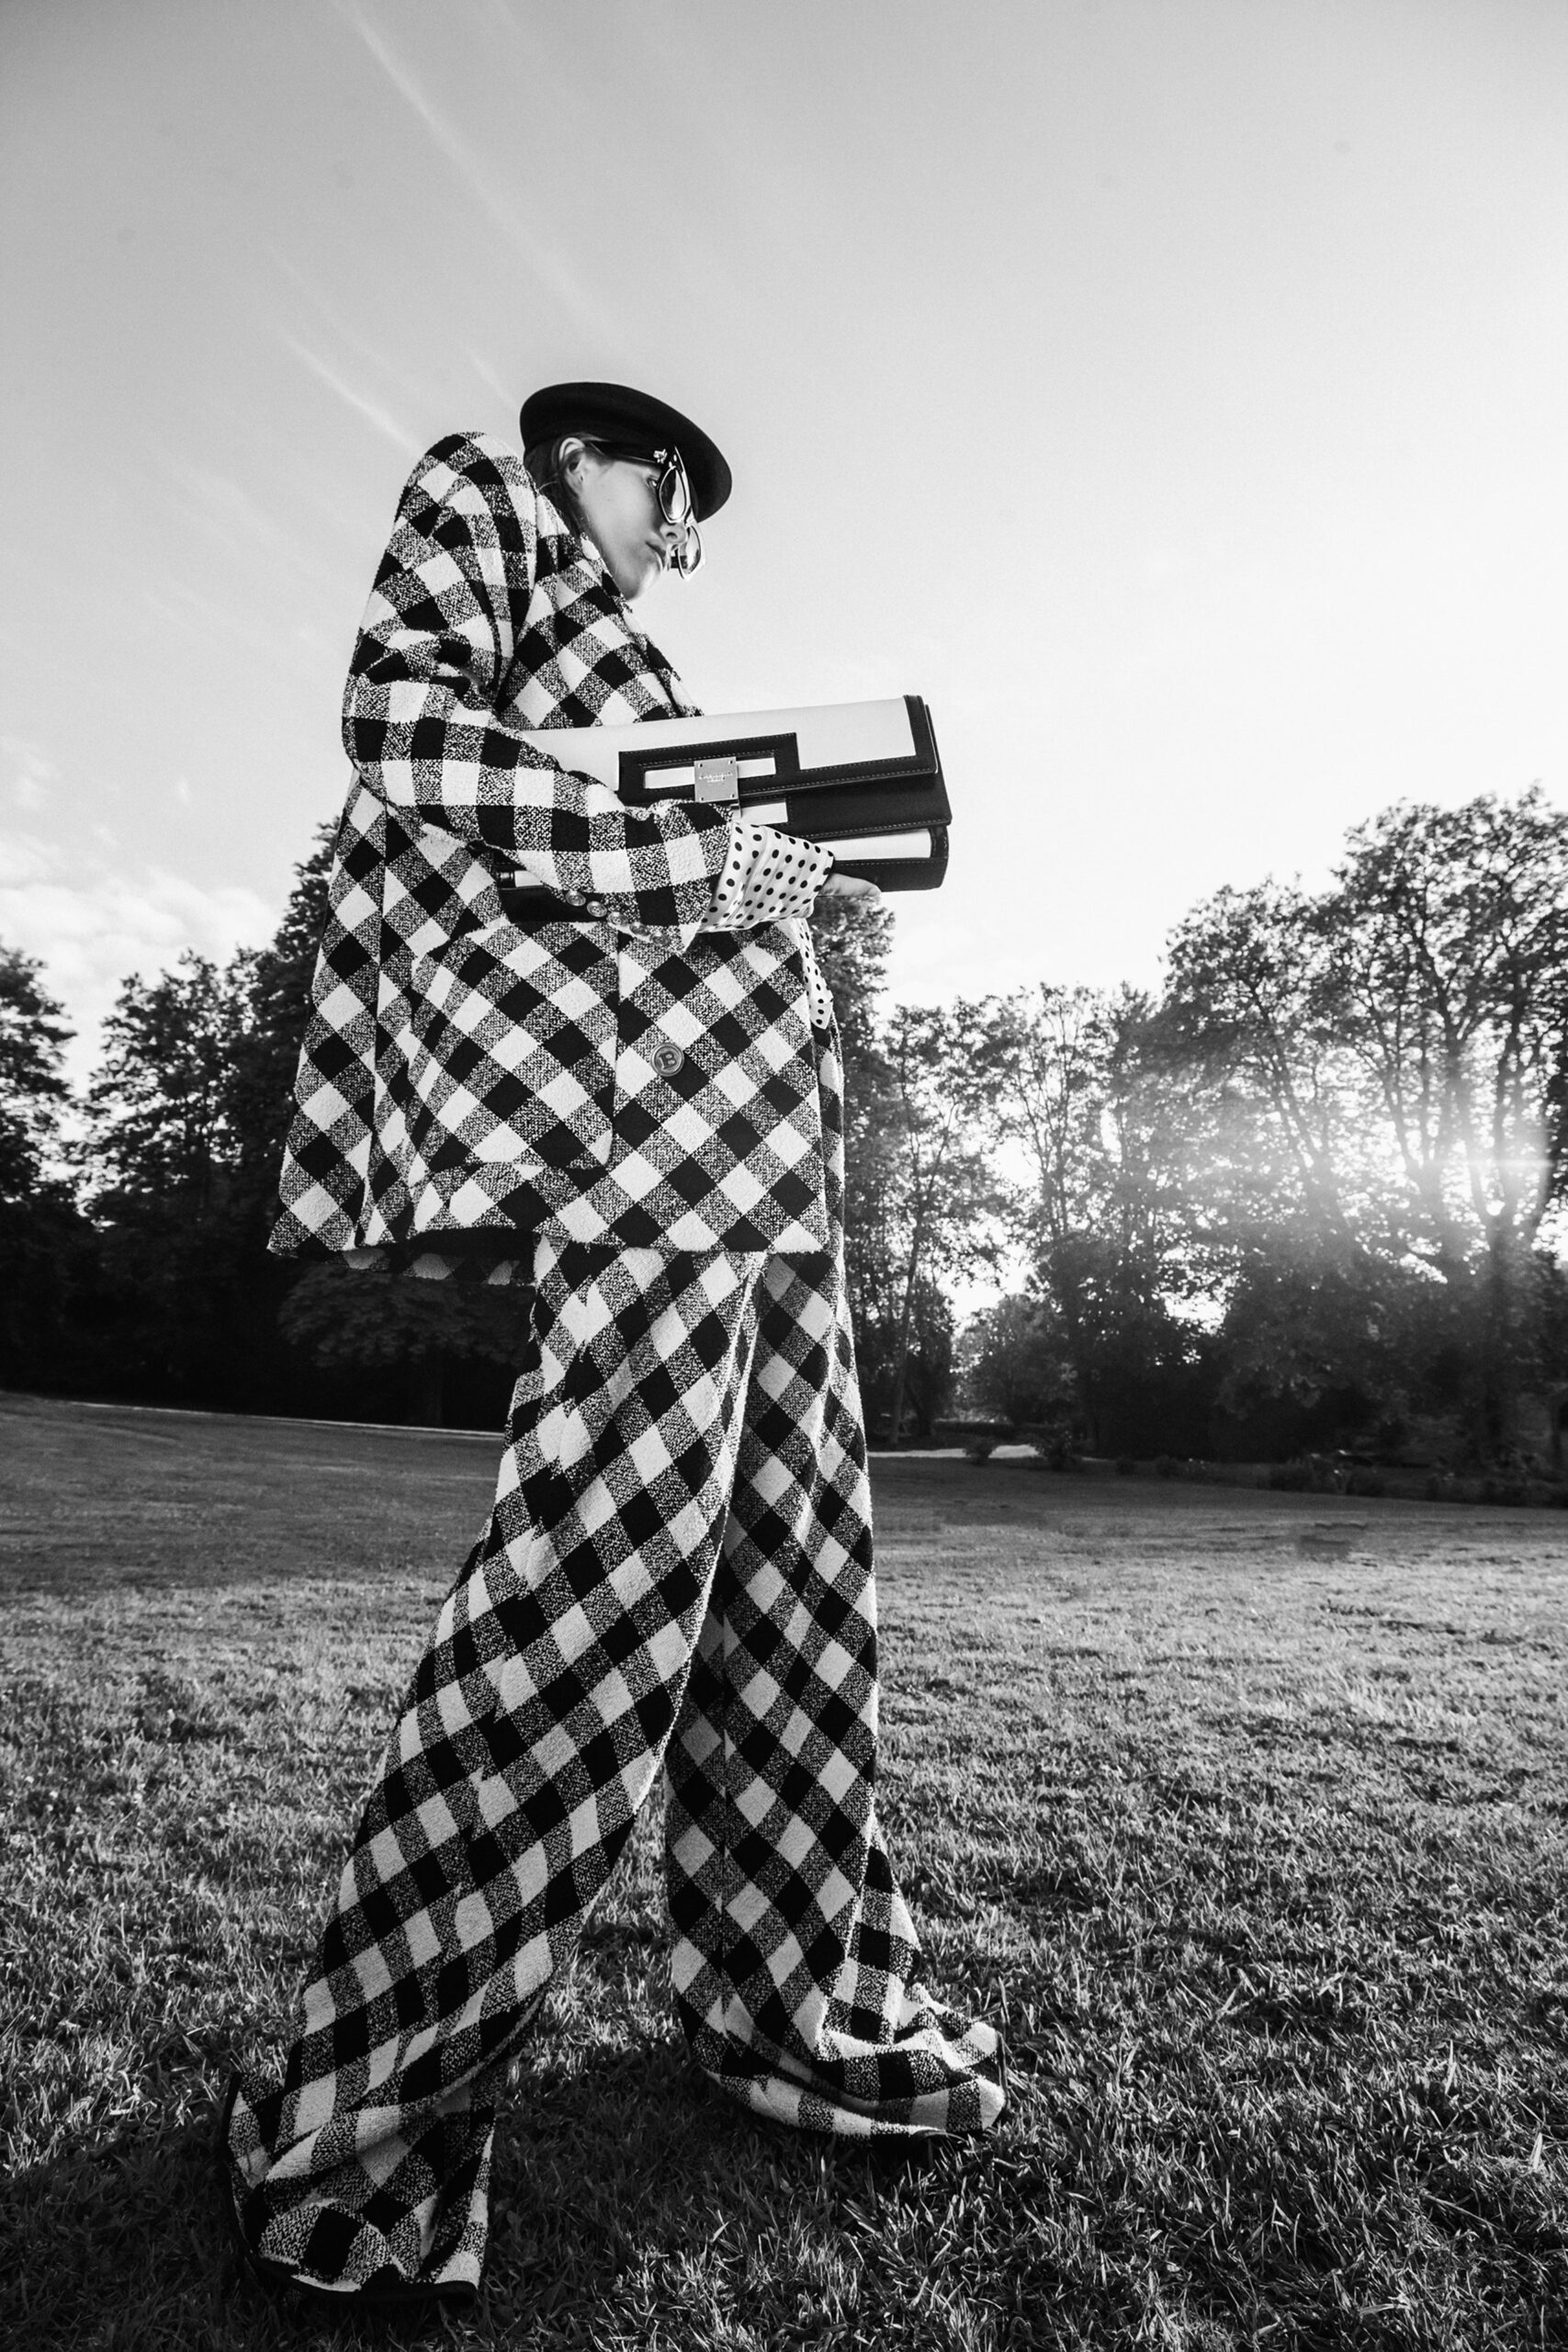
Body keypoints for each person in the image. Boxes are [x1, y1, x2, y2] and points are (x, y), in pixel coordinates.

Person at [220, 380, 1007, 2310]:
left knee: (793, 1618)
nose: (686, 536)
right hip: (654, 1149)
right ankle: (361, 2101)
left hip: (762, 1153)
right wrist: (717, 864)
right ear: (608, 456)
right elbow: (402, 732)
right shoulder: (488, 490)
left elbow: (667, 838)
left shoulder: (633, 645)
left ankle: (794, 2003)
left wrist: (801, 872)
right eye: (679, 498)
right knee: (582, 1613)